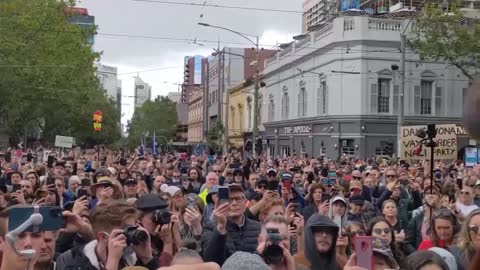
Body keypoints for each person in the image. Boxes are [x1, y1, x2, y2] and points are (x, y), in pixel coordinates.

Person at [56, 199, 159, 270]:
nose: (133, 234)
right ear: (103, 237)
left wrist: (148, 259)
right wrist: (112, 264)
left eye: (134, 228)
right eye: (127, 230)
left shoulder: (135, 257)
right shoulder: (70, 262)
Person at [201, 184, 261, 265]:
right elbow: (210, 260)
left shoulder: (259, 227)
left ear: (246, 202)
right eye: (229, 199)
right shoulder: (210, 227)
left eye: (238, 199)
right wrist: (220, 229)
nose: (234, 203)